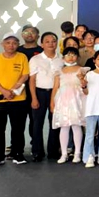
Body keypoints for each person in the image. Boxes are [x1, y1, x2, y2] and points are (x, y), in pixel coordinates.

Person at [0, 32, 31, 167]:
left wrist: (13, 90)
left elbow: (25, 75)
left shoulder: (22, 57)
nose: (11, 45)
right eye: (8, 43)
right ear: (2, 44)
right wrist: (4, 92)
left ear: (18, 44)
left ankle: (18, 154)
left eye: (14, 43)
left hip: (18, 99)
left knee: (18, 129)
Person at [50, 47, 87, 164]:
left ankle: (77, 153)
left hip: (77, 100)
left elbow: (85, 86)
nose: (71, 57)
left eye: (74, 55)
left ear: (78, 57)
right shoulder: (59, 71)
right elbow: (55, 88)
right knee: (64, 127)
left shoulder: (82, 70)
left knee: (76, 126)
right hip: (63, 101)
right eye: (68, 55)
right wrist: (52, 102)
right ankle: (64, 153)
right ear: (63, 57)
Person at [29, 31, 62, 161]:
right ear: (42, 44)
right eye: (47, 42)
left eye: (53, 41)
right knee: (37, 123)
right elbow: (32, 80)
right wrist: (34, 98)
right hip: (40, 93)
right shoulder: (35, 59)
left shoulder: (61, 59)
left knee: (54, 122)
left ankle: (53, 151)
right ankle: (37, 151)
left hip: (56, 93)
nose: (50, 44)